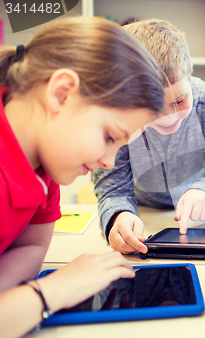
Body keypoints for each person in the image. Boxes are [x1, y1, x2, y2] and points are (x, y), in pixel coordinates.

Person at [0, 17, 166, 337]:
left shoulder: (44, 163)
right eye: (108, 137)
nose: (109, 161)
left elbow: (32, 247)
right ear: (62, 93)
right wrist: (52, 291)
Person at [93, 19, 205, 255]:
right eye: (154, 107)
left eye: (180, 100)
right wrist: (119, 216)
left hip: (202, 222)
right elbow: (113, 188)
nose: (169, 117)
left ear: (189, 74)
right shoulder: (120, 115)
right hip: (145, 216)